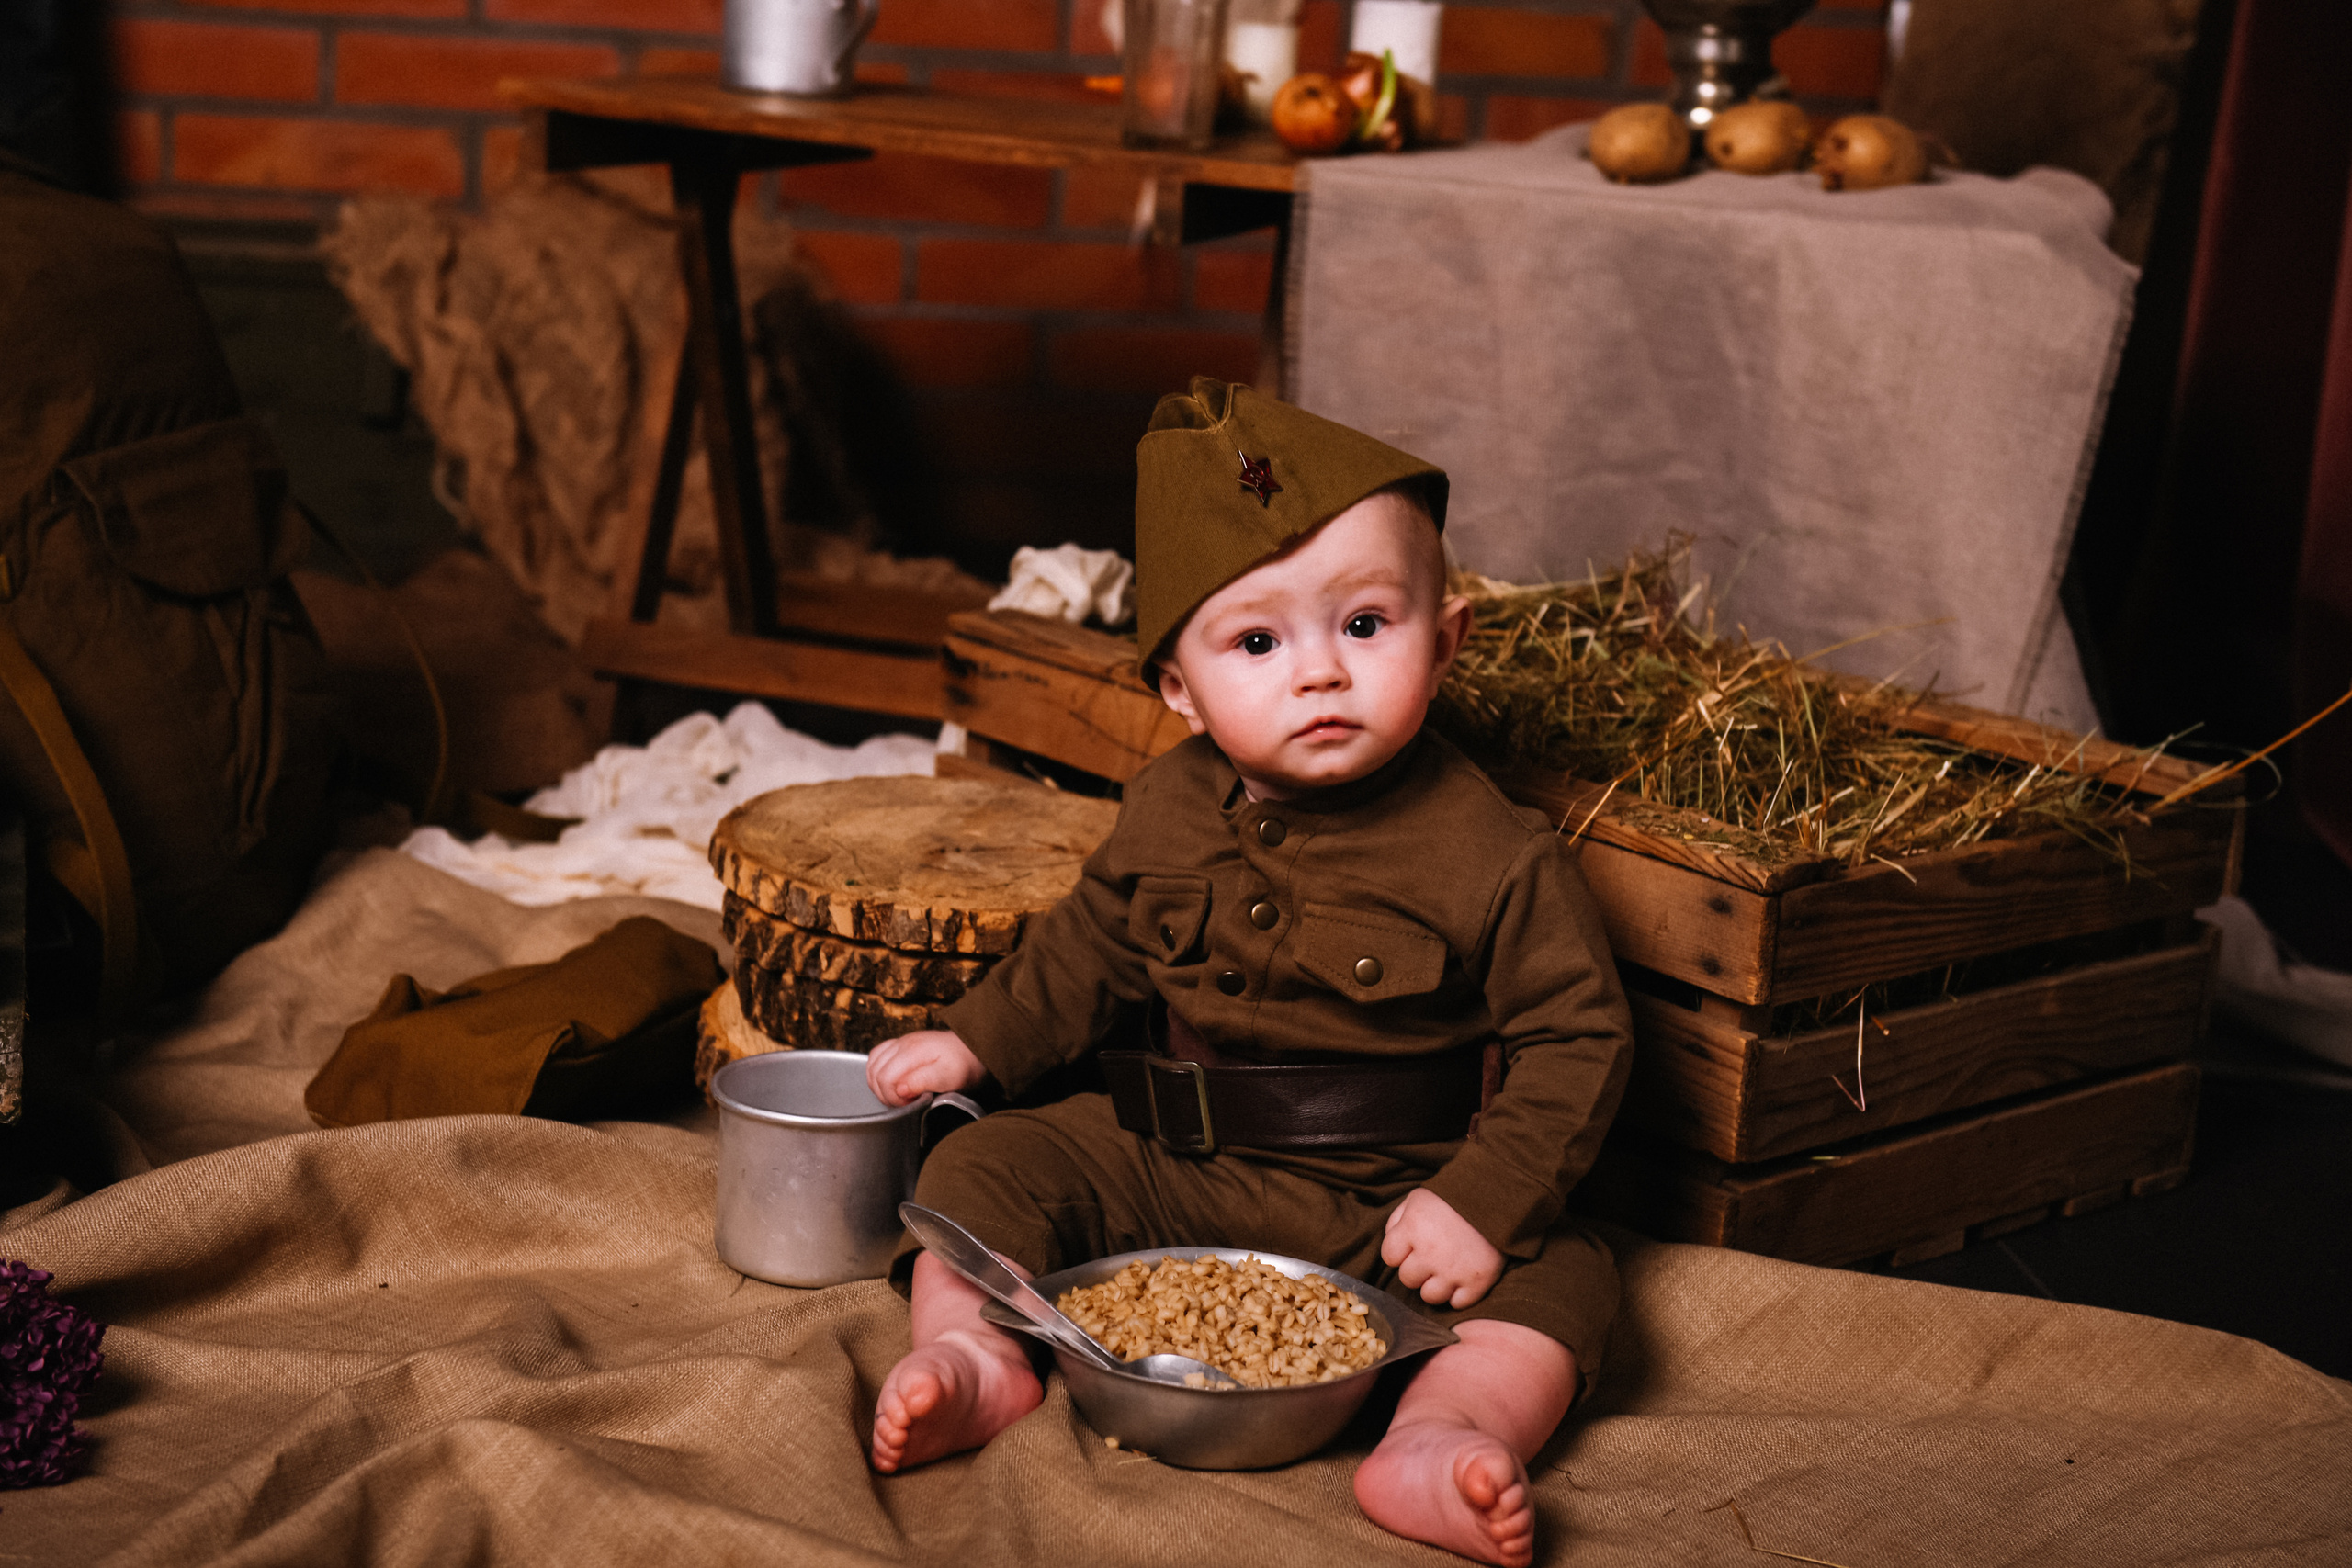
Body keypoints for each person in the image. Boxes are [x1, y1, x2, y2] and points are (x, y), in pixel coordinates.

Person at [864, 378, 1633, 1567]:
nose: (1318, 673)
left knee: (1570, 1279)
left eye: (1366, 625)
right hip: (1175, 1169)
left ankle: (1442, 1434)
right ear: (1180, 687)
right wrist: (976, 1040)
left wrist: (1481, 1200)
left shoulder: (1488, 847)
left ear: (1451, 637)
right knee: (984, 1159)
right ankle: (982, 1352)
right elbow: (1091, 941)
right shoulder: (1170, 803)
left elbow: (1579, 1039)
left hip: (1394, 1201)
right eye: (1259, 642)